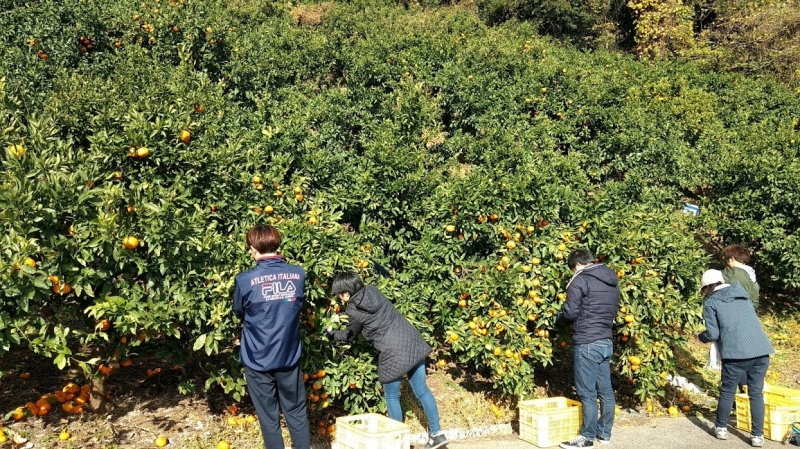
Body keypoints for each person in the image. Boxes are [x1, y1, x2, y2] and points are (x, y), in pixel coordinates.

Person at [327, 272, 448, 449]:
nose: (339, 297)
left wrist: (331, 333)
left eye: (339, 294)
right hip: (411, 341)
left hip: (392, 352)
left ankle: (395, 442)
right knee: (422, 390)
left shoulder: (353, 311)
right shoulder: (373, 290)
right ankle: (437, 434)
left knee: (392, 395)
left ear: (346, 293)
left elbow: (349, 336)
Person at [232, 225, 310, 449]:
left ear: (254, 248)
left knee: (268, 417)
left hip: (257, 357)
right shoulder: (298, 274)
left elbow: (239, 311)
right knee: (296, 412)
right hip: (288, 355)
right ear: (277, 245)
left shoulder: (245, 280)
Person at [696, 269, 774, 448]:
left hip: (735, 353)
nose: (704, 293)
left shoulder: (711, 302)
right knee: (756, 394)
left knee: (727, 391)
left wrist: (699, 337)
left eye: (704, 290)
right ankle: (757, 436)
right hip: (761, 350)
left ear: (707, 287)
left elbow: (713, 333)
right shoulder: (742, 294)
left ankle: (721, 428)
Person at [558, 249, 620, 449]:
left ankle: (586, 437)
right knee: (606, 391)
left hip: (587, 341)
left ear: (577, 265)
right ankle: (604, 434)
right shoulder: (611, 279)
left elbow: (570, 313)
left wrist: (558, 318)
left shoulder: (580, 280)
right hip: (605, 341)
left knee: (587, 392)